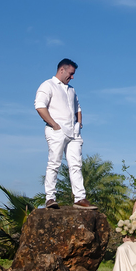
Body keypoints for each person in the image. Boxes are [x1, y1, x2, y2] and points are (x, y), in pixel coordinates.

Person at [34, 58, 93, 209]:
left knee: (76, 164)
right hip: (57, 130)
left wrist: (79, 124)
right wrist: (54, 125)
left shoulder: (71, 89)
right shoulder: (47, 85)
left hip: (73, 132)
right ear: (62, 70)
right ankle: (50, 198)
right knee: (54, 163)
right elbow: (40, 106)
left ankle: (80, 198)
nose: (72, 77)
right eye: (71, 73)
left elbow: (78, 107)